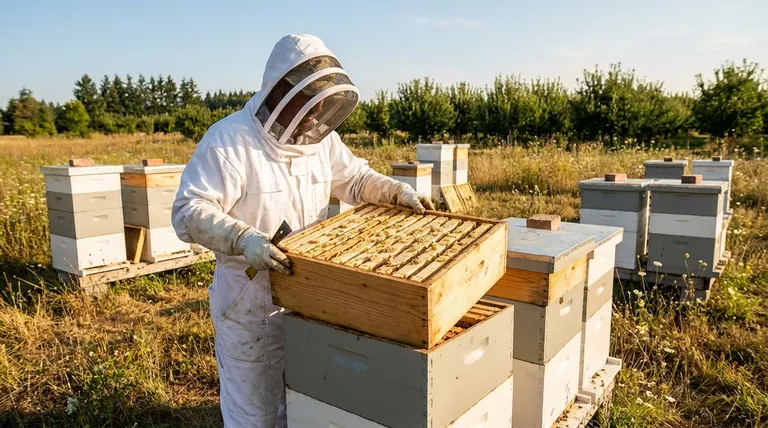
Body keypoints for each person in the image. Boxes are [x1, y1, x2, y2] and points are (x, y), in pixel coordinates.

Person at [171, 33, 435, 427]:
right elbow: (187, 211)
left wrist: (395, 191)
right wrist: (242, 239)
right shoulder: (229, 142)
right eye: (305, 103)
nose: (313, 117)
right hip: (249, 300)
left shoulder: (320, 142)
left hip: (309, 296)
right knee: (254, 414)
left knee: (302, 403)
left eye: (320, 106)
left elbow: (356, 180)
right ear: (279, 92)